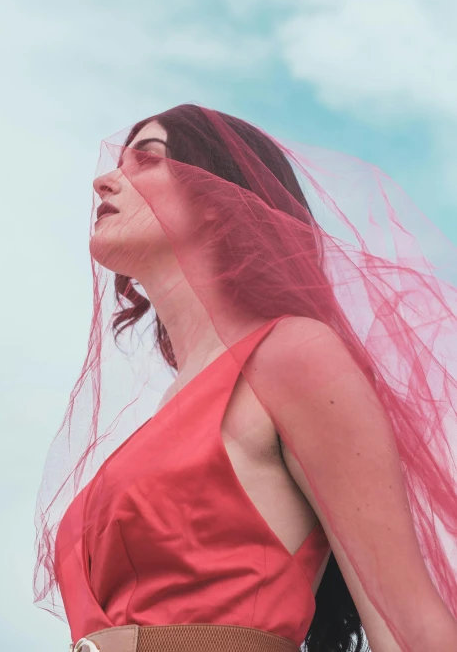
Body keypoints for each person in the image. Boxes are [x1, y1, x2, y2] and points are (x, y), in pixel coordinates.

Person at [35, 104, 457, 652]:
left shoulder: (293, 354)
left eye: (148, 160)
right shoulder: (170, 406)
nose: (104, 179)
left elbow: (409, 627)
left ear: (219, 199)